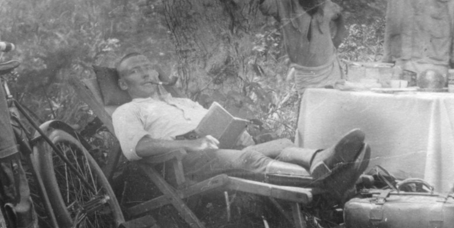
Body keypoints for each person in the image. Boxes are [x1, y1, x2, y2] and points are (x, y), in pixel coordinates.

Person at [111, 52, 370, 196]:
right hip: (182, 162)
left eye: (148, 67)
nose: (146, 73)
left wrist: (236, 131)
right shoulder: (127, 110)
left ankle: (321, 160)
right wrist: (192, 144)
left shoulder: (181, 102)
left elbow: (215, 122)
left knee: (282, 144)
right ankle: (328, 182)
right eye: (135, 71)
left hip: (216, 150)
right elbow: (137, 148)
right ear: (123, 84)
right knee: (250, 159)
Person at [259, 0, 345, 89]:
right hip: (304, 76)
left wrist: (338, 38)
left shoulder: (325, 5)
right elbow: (264, 1)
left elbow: (339, 16)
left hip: (330, 72)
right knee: (307, 101)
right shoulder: (283, 5)